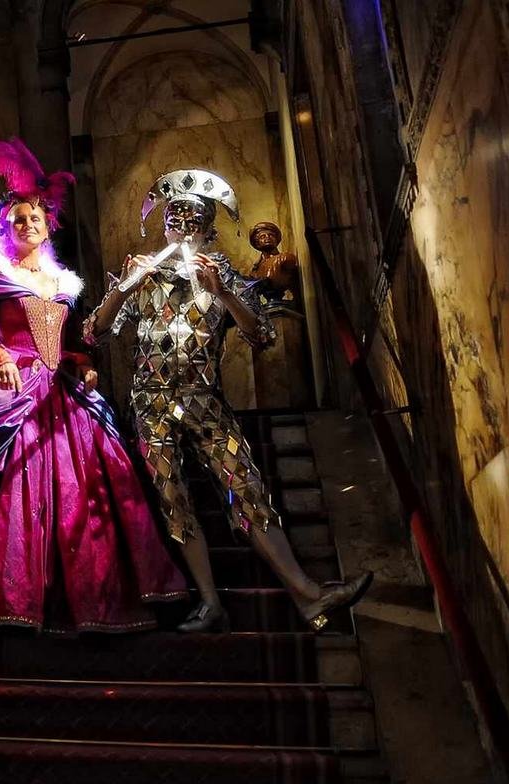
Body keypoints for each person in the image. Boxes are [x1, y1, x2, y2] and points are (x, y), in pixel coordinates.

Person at [82, 168, 372, 632]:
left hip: (206, 402)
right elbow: (93, 332)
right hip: (150, 404)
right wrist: (125, 287)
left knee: (248, 489)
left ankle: (308, 595)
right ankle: (210, 602)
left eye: (193, 218)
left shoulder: (225, 277)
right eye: (176, 217)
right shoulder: (141, 275)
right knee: (172, 499)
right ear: (165, 224)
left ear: (208, 226)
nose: (183, 225)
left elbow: (263, 335)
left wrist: (222, 295)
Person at [0, 138, 187, 633]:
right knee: (18, 492)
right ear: (7, 228)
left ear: (49, 226)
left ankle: (96, 596)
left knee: (90, 485)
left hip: (62, 389)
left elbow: (67, 344)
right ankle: (16, 597)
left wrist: (82, 362)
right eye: (18, 219)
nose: (26, 224)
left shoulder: (64, 283)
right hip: (18, 388)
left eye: (34, 218)